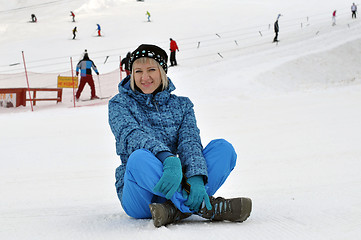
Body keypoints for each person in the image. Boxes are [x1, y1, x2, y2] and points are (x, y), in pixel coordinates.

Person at [108, 44, 252, 228]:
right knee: (138, 158)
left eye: (151, 69)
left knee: (223, 149)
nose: (144, 77)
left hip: (174, 183)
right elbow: (131, 135)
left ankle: (174, 209)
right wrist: (167, 158)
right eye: (138, 71)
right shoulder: (119, 104)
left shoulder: (182, 106)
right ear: (131, 74)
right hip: (141, 193)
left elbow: (189, 141)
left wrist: (196, 178)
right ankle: (202, 206)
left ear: (163, 71)